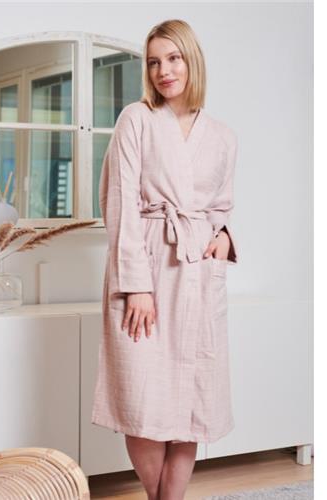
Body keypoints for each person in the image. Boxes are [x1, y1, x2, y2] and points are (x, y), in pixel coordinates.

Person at [91, 19, 239, 500]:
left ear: (192, 61)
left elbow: (221, 206)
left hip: (196, 271)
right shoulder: (135, 119)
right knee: (143, 400)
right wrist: (137, 285)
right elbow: (120, 201)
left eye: (173, 59)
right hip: (146, 267)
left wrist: (223, 238)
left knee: (190, 399)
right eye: (154, 62)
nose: (163, 71)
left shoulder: (222, 136)